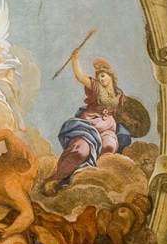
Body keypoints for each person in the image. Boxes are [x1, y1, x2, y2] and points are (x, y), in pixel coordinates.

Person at [46, 50, 133, 192]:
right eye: (99, 77)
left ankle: (94, 179)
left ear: (111, 76)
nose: (101, 79)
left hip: (108, 128)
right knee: (81, 151)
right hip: (89, 124)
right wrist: (75, 60)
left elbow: (126, 114)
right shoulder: (96, 87)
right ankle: (58, 178)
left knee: (109, 146)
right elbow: (80, 77)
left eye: (103, 76)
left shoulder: (119, 95)